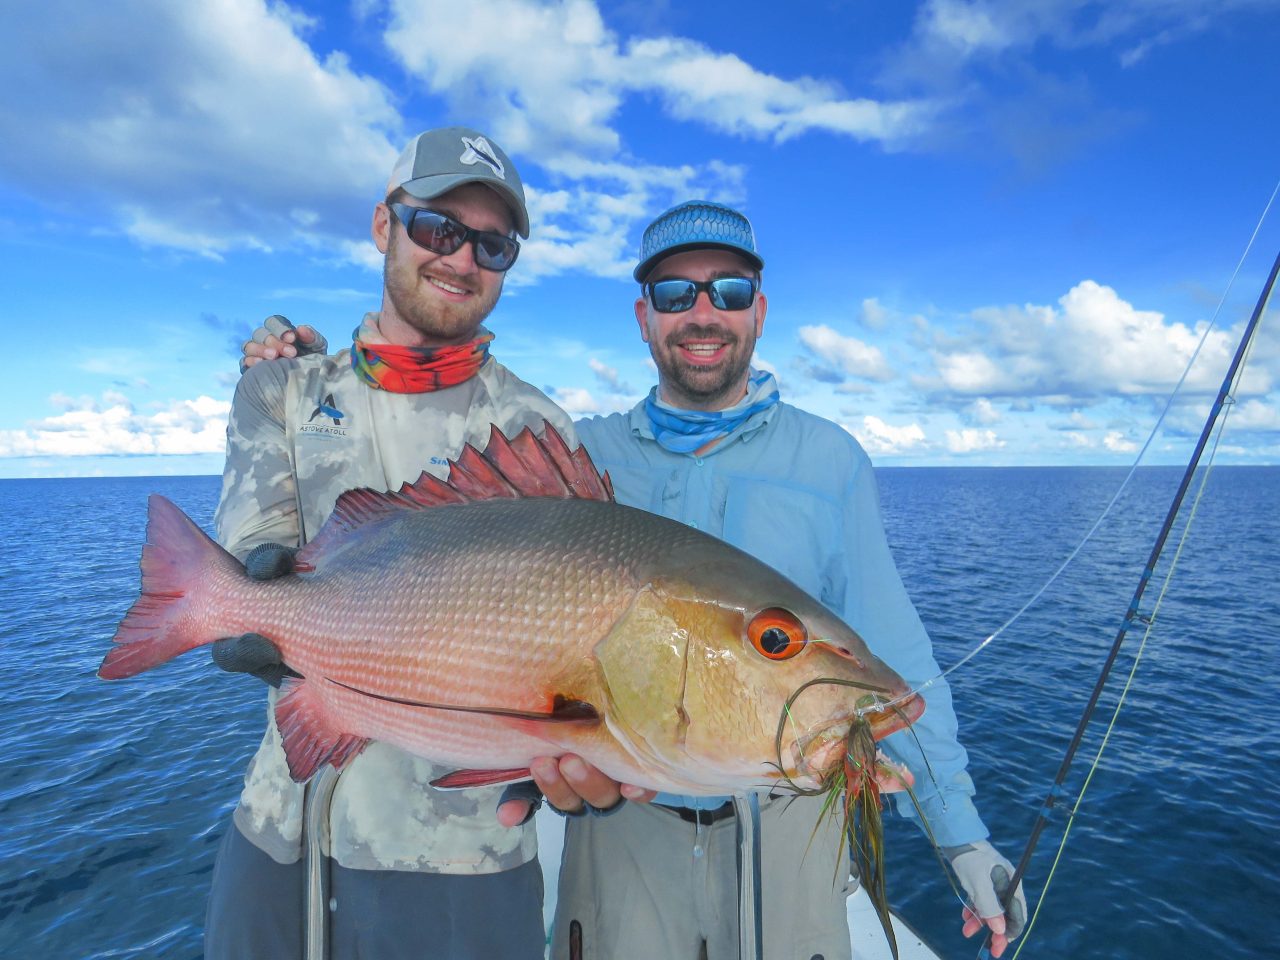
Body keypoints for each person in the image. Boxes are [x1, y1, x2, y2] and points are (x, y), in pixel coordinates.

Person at [242, 201, 1027, 958]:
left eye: (730, 291)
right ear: (644, 316)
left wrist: (959, 836)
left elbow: (893, 654)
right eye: (675, 293)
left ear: (759, 311)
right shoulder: (579, 447)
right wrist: (321, 373)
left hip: (787, 831)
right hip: (622, 827)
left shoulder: (831, 461)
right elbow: (433, 512)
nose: (703, 313)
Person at [206, 124, 623, 960]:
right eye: (438, 227)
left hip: (463, 861)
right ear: (382, 225)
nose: (462, 258)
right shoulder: (281, 390)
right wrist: (242, 601)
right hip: (281, 826)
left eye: (492, 245)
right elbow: (249, 553)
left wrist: (600, 743)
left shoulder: (536, 429)